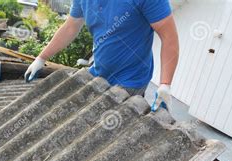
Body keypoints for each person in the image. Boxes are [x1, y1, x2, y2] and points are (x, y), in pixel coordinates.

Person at [25, 0, 179, 112]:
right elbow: (71, 27)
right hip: (99, 73)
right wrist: (41, 58)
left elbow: (169, 38)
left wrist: (165, 85)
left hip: (130, 80)